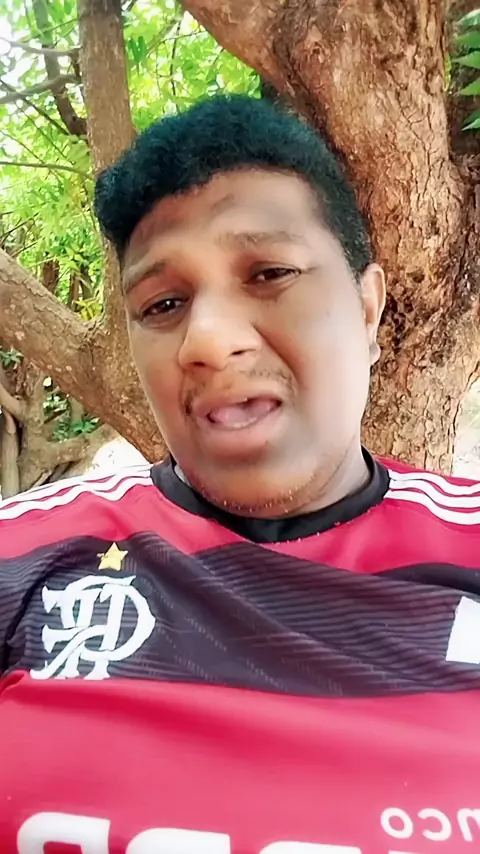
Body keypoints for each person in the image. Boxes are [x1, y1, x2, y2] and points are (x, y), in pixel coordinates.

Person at [0, 94, 479, 854]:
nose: (208, 339)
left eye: (270, 272)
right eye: (163, 303)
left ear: (367, 309)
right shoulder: (22, 563)